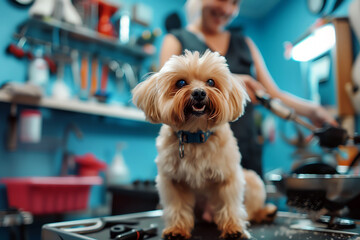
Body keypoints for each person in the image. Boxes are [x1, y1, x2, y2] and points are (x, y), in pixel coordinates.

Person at [159, 0, 337, 177]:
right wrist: (230, 82)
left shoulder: (245, 42)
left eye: (235, 3)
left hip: (246, 148)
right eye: (222, 0)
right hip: (196, 156)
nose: (228, 9)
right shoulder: (175, 40)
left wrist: (313, 111)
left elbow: (271, 94)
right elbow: (164, 94)